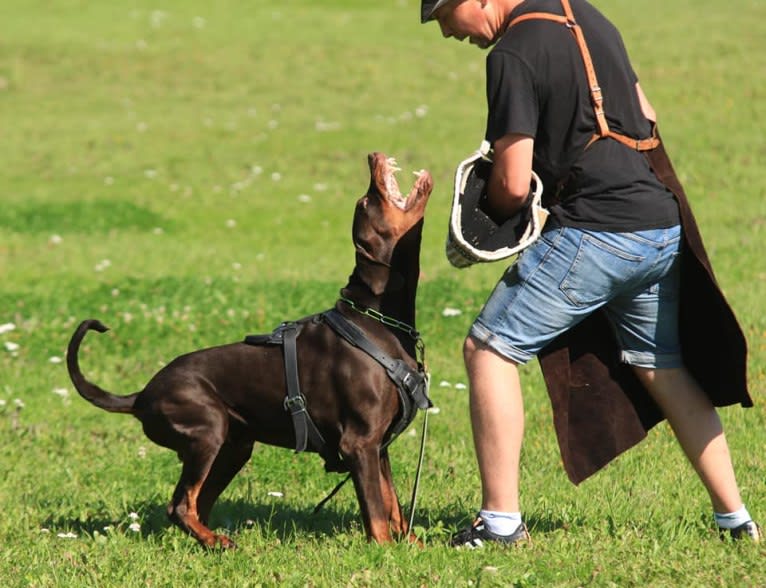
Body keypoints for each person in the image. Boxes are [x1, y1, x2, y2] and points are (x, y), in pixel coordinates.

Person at [420, 0, 760, 548]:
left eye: (443, 19)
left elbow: (511, 181)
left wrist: (496, 216)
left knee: (489, 349)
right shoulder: (586, 14)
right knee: (661, 365)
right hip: (657, 223)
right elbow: (647, 115)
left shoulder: (511, 52)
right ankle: (736, 518)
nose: (448, 35)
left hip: (598, 232)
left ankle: (501, 523)